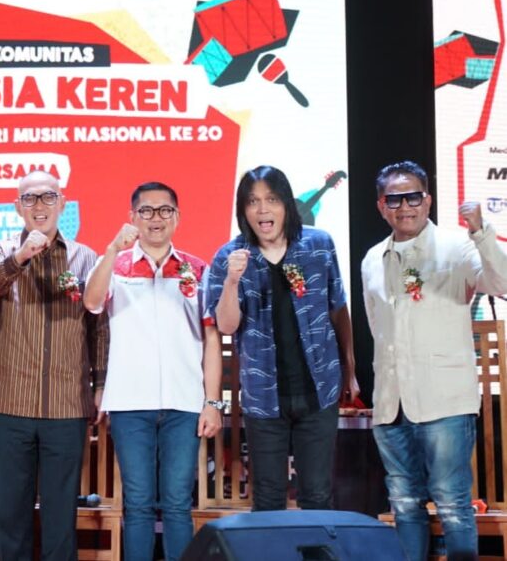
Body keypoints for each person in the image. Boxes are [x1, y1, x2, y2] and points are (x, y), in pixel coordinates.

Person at [362, 161, 507, 561]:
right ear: (381, 206)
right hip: (392, 404)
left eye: (413, 197)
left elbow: (502, 282)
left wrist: (481, 231)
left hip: (445, 401)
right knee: (404, 502)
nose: (405, 206)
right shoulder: (372, 258)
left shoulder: (457, 246)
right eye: (394, 199)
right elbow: (377, 328)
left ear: (427, 200)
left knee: (452, 503)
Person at [83, 182, 222, 561]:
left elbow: (211, 338)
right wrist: (112, 250)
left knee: (177, 502)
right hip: (130, 403)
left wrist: (212, 402)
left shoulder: (196, 268)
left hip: (184, 402)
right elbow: (92, 302)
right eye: (146, 210)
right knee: (139, 503)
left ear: (177, 217)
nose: (155, 218)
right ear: (133, 217)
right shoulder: (116, 266)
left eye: (164, 210)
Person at [205, 165, 357, 511]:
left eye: (271, 199)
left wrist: (350, 369)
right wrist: (231, 281)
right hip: (263, 396)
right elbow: (226, 326)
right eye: (252, 202)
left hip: (319, 389)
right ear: (242, 210)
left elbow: (338, 309)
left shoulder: (318, 245)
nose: (263, 210)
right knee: (268, 498)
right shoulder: (229, 257)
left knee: (317, 495)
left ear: (287, 203)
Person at [0, 170, 108, 561]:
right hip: (10, 403)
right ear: (17, 206)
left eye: (48, 197)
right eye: (30, 198)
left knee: (60, 514)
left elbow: (99, 328)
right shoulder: (1, 248)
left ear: (62, 204)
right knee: (10, 512)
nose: (39, 206)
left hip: (66, 405)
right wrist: (21, 256)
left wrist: (100, 385)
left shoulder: (85, 257)